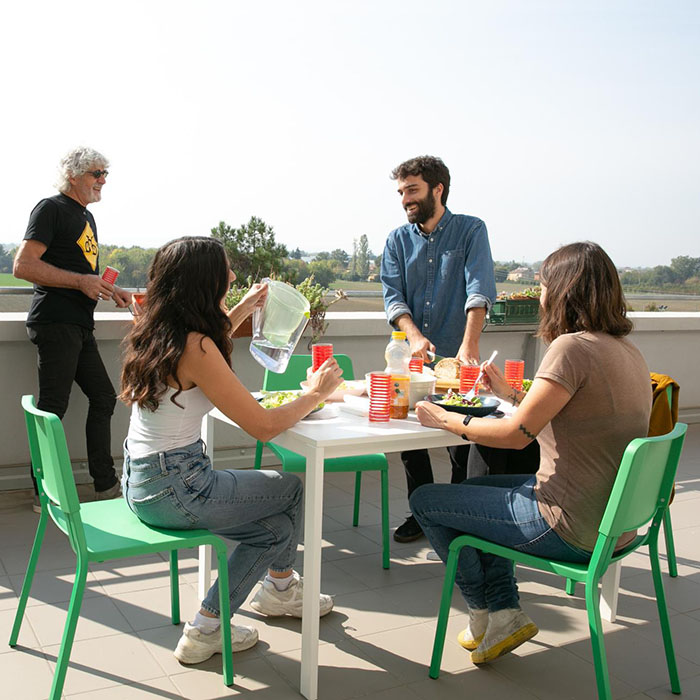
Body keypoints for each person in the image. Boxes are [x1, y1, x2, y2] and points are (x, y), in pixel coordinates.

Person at [410, 242, 652, 664]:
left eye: (542, 285)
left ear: (562, 291)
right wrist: (509, 392)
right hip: (615, 526)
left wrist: (444, 420)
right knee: (480, 489)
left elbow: (515, 434)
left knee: (426, 501)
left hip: (568, 526)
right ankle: (504, 611)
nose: (539, 295)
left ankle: (485, 608)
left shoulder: (571, 348)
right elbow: (574, 409)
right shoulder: (626, 350)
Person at [120, 236, 342, 664]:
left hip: (142, 482)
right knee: (291, 490)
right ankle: (272, 594)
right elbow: (263, 427)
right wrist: (316, 393)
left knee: (275, 529)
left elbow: (207, 338)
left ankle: (255, 602)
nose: (234, 278)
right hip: (177, 488)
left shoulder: (155, 329)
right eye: (227, 273)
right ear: (205, 283)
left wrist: (245, 306)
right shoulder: (197, 347)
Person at [380, 155, 497, 542]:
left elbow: (479, 289)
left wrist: (469, 345)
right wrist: (412, 335)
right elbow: (393, 297)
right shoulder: (396, 241)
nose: (404, 199)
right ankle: (423, 512)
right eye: (400, 192)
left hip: (457, 358)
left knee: (460, 441)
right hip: (409, 360)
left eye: (412, 190)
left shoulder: (470, 231)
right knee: (409, 440)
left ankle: (457, 517)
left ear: (437, 189)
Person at [13, 147, 132, 510]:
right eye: (97, 173)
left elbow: (82, 273)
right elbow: (23, 266)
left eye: (105, 174)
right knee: (52, 407)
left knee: (102, 397)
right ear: (73, 175)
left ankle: (104, 484)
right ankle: (43, 492)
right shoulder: (50, 209)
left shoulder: (85, 217)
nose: (103, 181)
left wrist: (110, 288)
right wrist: (81, 283)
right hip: (55, 322)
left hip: (79, 325)